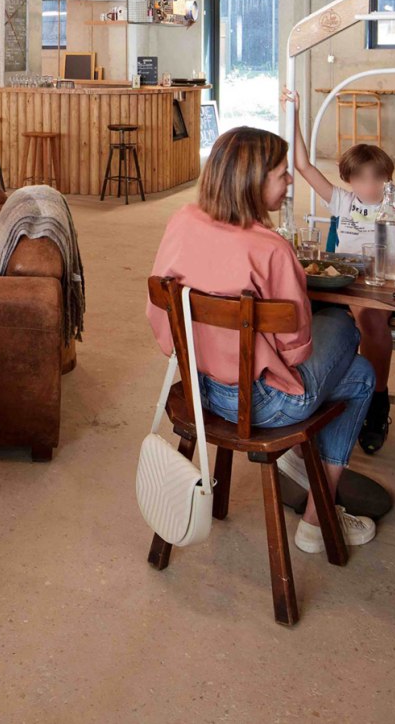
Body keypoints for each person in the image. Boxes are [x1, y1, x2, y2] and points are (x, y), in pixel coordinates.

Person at [146, 126, 377, 555]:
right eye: (282, 175)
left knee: (358, 370)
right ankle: (316, 518)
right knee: (348, 335)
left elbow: (157, 316)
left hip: (197, 391)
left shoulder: (182, 220)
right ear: (253, 180)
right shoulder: (271, 249)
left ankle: (317, 508)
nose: (290, 183)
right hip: (263, 405)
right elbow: (296, 347)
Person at [281, 69, 395, 453]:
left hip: (380, 280)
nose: (368, 186)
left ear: (389, 177)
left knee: (370, 317)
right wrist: (294, 114)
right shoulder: (343, 201)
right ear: (349, 180)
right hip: (345, 278)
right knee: (301, 310)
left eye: (376, 178)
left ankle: (377, 399)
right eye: (359, 179)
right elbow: (304, 167)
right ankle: (314, 391)